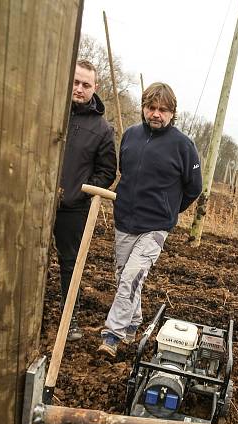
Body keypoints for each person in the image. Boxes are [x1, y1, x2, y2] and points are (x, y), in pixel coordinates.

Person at [98, 82, 202, 357]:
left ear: (172, 113)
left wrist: (169, 211)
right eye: (151, 108)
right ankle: (133, 324)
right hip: (125, 219)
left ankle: (112, 334)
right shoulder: (130, 135)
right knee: (124, 277)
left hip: (155, 227)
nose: (156, 114)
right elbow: (126, 171)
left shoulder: (183, 146)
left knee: (132, 277)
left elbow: (194, 188)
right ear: (144, 108)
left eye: (163, 110)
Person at [55, 59, 117, 341]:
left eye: (86, 85)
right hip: (34, 202)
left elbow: (107, 171)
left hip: (72, 207)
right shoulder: (52, 110)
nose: (79, 89)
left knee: (70, 262)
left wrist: (80, 191)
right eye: (76, 82)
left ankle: (70, 320)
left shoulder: (102, 129)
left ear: (95, 87)